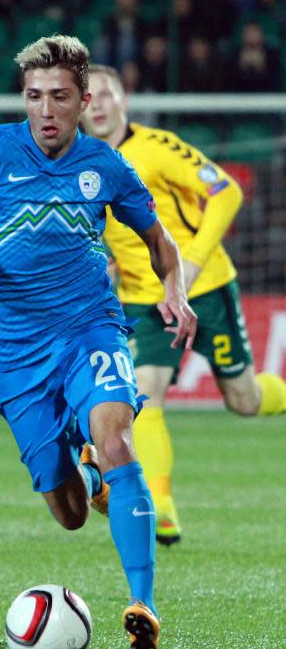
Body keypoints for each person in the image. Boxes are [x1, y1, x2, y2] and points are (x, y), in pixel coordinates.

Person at [0, 35, 197, 649]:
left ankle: (144, 601)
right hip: (14, 353)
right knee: (67, 511)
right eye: (34, 96)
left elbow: (159, 237)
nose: (45, 109)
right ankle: (88, 476)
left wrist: (175, 288)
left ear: (84, 101)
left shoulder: (106, 166)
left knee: (115, 436)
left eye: (60, 97)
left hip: (92, 327)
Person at [80, 63, 286, 545]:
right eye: (91, 97)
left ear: (124, 100)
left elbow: (226, 191)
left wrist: (190, 265)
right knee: (142, 395)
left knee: (244, 400)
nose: (101, 105)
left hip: (206, 288)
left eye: (108, 94)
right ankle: (163, 509)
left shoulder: (156, 148)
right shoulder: (81, 165)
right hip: (144, 302)